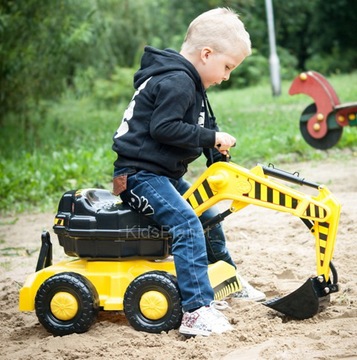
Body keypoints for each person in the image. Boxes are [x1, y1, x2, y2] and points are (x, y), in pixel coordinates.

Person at [112, 7, 264, 337]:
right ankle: (196, 310)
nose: (227, 76)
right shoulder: (177, 81)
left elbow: (203, 126)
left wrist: (215, 152)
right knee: (187, 223)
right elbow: (164, 128)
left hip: (159, 175)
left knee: (207, 213)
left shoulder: (192, 86)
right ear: (206, 54)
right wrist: (210, 137)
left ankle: (226, 280)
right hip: (137, 177)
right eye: (227, 67)